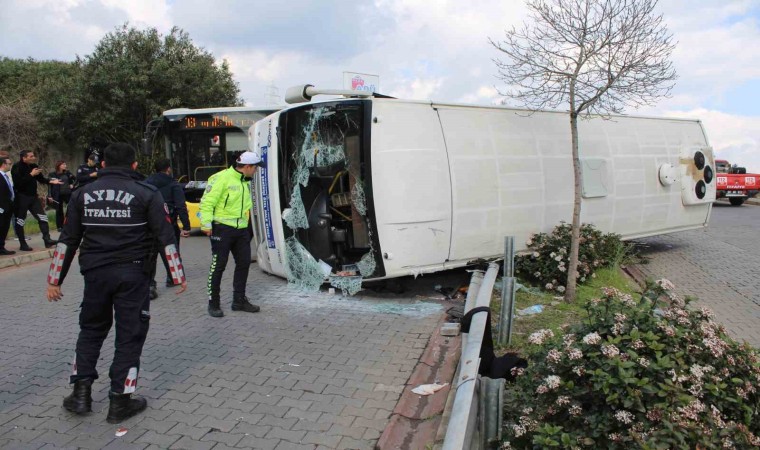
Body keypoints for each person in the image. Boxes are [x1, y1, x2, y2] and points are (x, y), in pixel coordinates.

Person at [46, 142, 187, 424]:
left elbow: (67, 241)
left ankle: (80, 395)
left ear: (102, 165)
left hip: (95, 276)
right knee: (130, 335)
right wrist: (177, 275)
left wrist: (54, 280)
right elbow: (165, 237)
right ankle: (120, 401)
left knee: (91, 330)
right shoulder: (147, 193)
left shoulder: (82, 194)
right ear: (134, 165)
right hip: (133, 276)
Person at [199, 151, 262, 317]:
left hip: (241, 230)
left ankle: (239, 301)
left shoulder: (245, 180)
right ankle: (213, 303)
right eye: (255, 168)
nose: (256, 171)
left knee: (244, 263)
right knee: (218, 266)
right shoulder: (221, 178)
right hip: (222, 228)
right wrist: (206, 224)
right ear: (247, 167)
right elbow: (207, 202)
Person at [146, 158, 191, 299]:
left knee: (150, 255)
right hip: (168, 223)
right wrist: (186, 226)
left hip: (149, 225)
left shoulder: (146, 183)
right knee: (171, 250)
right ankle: (173, 277)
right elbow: (180, 206)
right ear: (168, 169)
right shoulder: (173, 184)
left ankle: (150, 285)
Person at [11, 150, 62, 250]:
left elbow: (41, 179)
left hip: (33, 197)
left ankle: (47, 240)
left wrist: (51, 181)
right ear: (24, 158)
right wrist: (31, 174)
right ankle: (23, 244)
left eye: (33, 156)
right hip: (22, 197)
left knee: (43, 217)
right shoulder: (16, 167)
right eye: (31, 156)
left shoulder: (34, 165)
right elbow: (18, 184)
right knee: (20, 220)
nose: (33, 157)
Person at [49, 160, 75, 232]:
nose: (65, 166)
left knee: (71, 208)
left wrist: (73, 184)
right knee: (59, 210)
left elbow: (75, 179)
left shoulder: (67, 173)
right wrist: (50, 195)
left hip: (68, 193)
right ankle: (60, 226)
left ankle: (69, 224)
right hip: (58, 194)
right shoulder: (52, 174)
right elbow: (50, 185)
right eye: (63, 164)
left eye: (65, 164)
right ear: (59, 165)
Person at [0, 156, 15, 255]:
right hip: (1, 207)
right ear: (4, 164)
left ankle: (1, 247)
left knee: (5, 227)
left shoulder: (6, 176)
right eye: (9, 164)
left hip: (8, 206)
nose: (10, 165)